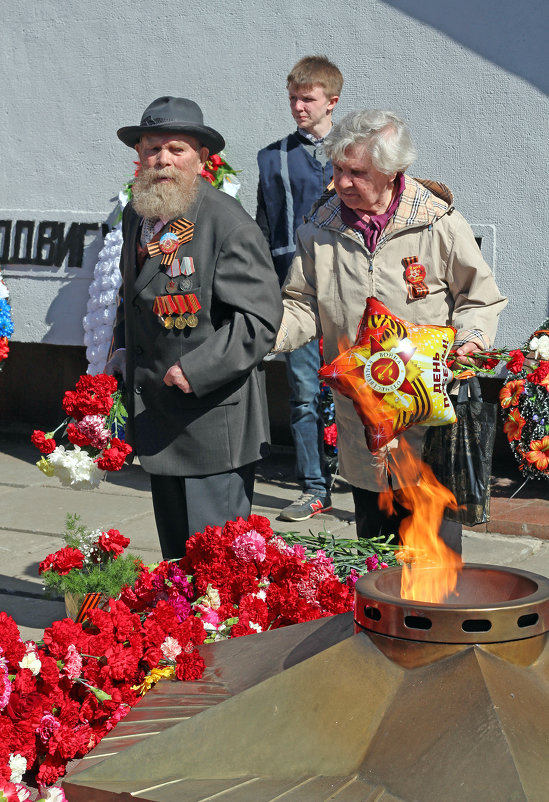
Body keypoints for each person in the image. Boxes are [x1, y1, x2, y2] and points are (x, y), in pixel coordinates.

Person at [273, 109, 508, 553]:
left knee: (434, 557)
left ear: (391, 172)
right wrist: (264, 334)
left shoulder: (438, 223)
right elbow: (301, 303)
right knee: (377, 557)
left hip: (430, 416)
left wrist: (470, 342)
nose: (342, 183)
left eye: (356, 173)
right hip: (364, 419)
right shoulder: (319, 229)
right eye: (338, 169)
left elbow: (479, 297)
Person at [106, 96, 283, 559]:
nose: (162, 160)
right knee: (177, 566)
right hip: (158, 419)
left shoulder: (227, 223)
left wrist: (195, 369)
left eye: (176, 149)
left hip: (211, 423)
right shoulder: (137, 216)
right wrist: (120, 354)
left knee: (218, 571)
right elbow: (135, 299)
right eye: (151, 149)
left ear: (202, 158)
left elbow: (260, 320)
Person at [256, 55, 343, 522]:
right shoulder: (273, 157)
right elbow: (264, 226)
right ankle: (313, 486)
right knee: (304, 391)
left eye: (306, 99)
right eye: (293, 98)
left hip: (352, 290)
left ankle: (374, 481)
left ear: (332, 101)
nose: (297, 107)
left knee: (368, 386)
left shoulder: (356, 152)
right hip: (297, 291)